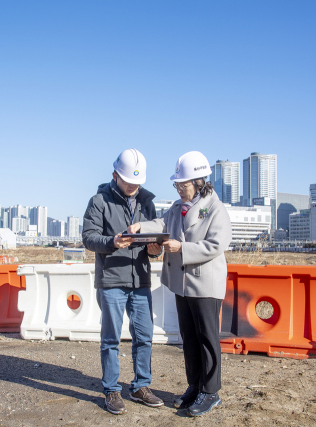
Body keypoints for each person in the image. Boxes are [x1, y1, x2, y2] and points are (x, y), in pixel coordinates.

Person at [128, 151, 232, 417]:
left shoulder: (214, 208)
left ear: (198, 182)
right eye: (177, 185)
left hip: (205, 284)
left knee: (207, 338)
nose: (179, 189)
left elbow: (217, 244)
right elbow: (162, 222)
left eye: (182, 185)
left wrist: (182, 247)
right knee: (188, 338)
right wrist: (142, 226)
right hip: (182, 284)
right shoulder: (176, 207)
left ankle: (210, 392)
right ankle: (194, 385)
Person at [82, 148, 164, 415]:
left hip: (140, 279)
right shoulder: (99, 201)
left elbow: (155, 237)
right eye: (129, 182)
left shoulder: (146, 202)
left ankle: (141, 386)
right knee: (111, 339)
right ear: (115, 175)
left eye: (138, 183)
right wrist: (112, 242)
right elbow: (88, 238)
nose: (134, 187)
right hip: (111, 280)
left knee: (145, 337)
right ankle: (111, 390)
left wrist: (155, 250)